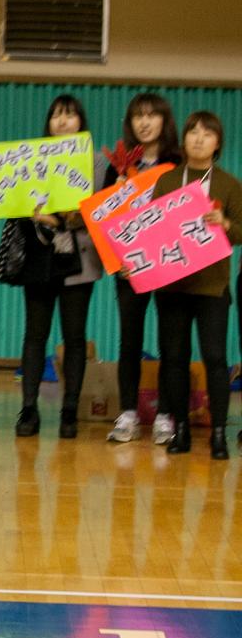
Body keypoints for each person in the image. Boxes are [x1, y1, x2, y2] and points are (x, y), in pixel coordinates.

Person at [150, 112, 242, 458]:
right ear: (183, 140)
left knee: (215, 358)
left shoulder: (230, 184)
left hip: (212, 286)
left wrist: (226, 223)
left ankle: (218, 431)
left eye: (207, 134)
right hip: (172, 285)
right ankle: (181, 430)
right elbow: (151, 229)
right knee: (173, 358)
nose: (199, 139)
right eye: (193, 132)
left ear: (218, 143)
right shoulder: (167, 181)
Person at [13, 94, 104, 439]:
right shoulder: (29, 157)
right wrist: (32, 211)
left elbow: (100, 207)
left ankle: (70, 411)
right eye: (56, 116)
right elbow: (13, 199)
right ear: (48, 123)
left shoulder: (95, 161)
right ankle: (29, 409)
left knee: (75, 337)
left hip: (79, 257)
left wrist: (65, 217)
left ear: (81, 122)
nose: (63, 122)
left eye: (70, 115)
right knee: (35, 335)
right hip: (39, 256)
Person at [104, 93, 181, 445]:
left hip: (169, 264)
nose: (144, 122)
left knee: (171, 342)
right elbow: (104, 220)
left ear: (164, 121)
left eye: (152, 115)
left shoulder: (179, 163)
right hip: (128, 268)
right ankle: (128, 413)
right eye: (138, 116)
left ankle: (167, 415)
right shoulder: (116, 165)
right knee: (129, 341)